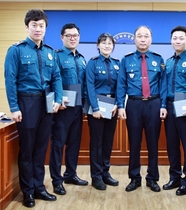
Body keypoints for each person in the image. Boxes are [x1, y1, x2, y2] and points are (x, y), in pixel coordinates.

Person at [4, 9, 63, 208]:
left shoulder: (49, 52)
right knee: (27, 150)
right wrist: (14, 107)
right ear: (27, 27)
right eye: (34, 25)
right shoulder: (16, 50)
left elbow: (56, 77)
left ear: (46, 28)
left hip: (46, 103)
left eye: (41, 26)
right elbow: (10, 80)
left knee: (40, 149)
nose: (38, 29)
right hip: (26, 103)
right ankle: (27, 191)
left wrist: (58, 98)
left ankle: (39, 187)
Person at [117, 26, 167, 193]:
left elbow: (163, 85)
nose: (143, 39)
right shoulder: (126, 60)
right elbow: (121, 84)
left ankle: (152, 178)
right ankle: (134, 178)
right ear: (134, 39)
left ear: (151, 39)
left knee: (153, 143)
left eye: (146, 36)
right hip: (133, 105)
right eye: (140, 36)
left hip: (153, 104)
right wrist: (120, 105)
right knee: (134, 142)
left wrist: (163, 105)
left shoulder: (158, 59)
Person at [162, 26, 186, 196]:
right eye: (175, 38)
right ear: (171, 41)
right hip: (171, 106)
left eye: (181, 38)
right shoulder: (168, 62)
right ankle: (175, 177)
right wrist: (163, 106)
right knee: (172, 145)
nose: (177, 41)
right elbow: (164, 87)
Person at [49, 23, 88, 196]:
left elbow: (85, 85)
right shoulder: (56, 56)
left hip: (78, 108)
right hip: (62, 109)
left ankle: (70, 174)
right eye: (69, 35)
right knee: (58, 145)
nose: (73, 38)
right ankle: (57, 181)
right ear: (62, 37)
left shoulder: (81, 58)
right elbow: (49, 81)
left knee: (74, 144)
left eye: (75, 36)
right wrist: (56, 101)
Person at [86, 33, 120, 190]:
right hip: (97, 108)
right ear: (98, 45)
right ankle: (96, 176)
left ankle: (106, 173)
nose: (107, 45)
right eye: (104, 43)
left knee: (107, 142)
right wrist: (95, 108)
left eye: (110, 43)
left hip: (112, 107)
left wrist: (118, 104)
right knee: (96, 144)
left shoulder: (116, 64)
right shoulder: (92, 63)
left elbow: (120, 86)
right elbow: (89, 87)